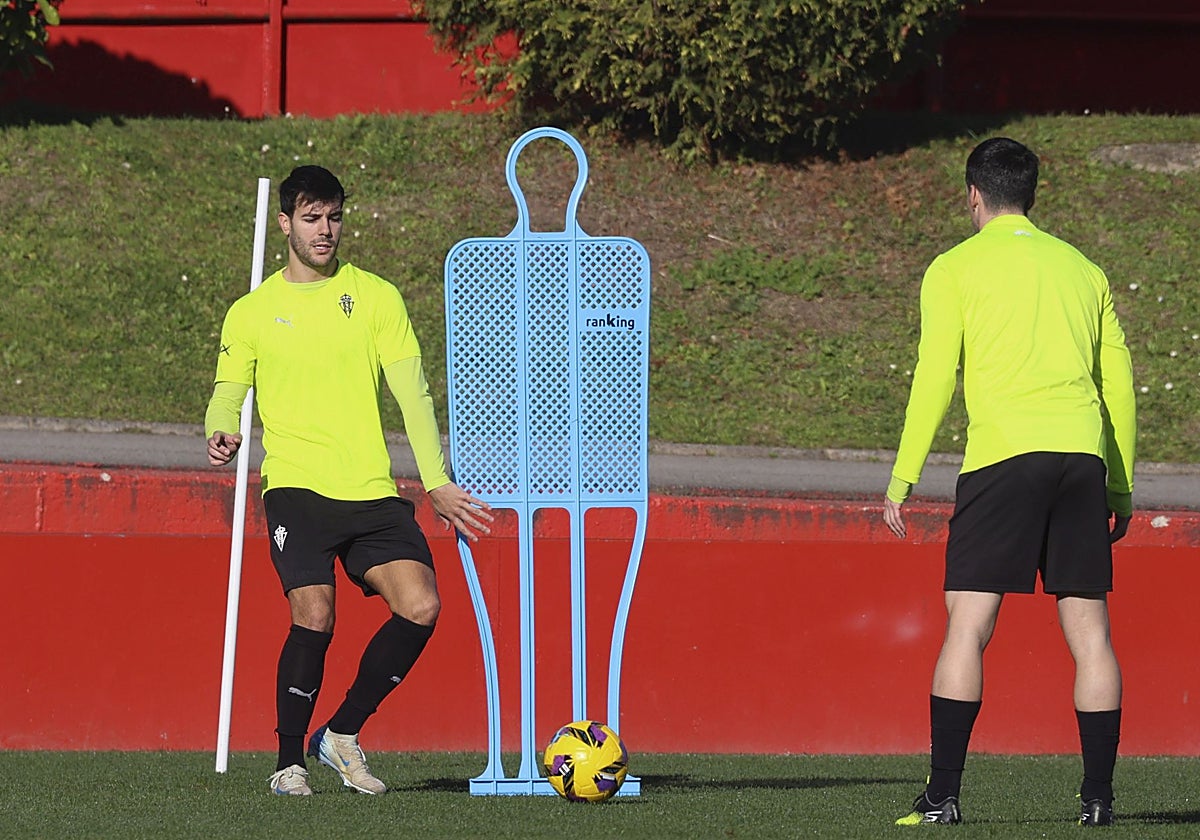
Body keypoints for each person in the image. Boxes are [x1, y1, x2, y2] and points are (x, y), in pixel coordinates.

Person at [205, 165, 493, 796]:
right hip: (296, 488)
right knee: (315, 613)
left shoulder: (377, 297)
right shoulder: (252, 311)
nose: (325, 230)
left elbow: (412, 394)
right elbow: (229, 389)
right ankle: (288, 764)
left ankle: (340, 736)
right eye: (311, 218)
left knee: (421, 606)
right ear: (285, 224)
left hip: (369, 488)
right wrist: (221, 426)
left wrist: (436, 481)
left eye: (334, 216)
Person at [883, 138, 1136, 828]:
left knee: (968, 625)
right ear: (1031, 194)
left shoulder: (953, 268)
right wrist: (1120, 487)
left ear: (974, 195)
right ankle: (1099, 800)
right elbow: (1118, 387)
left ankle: (943, 796)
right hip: (1081, 459)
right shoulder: (1084, 270)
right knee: (1090, 633)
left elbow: (935, 378)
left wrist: (903, 477)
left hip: (1002, 459)